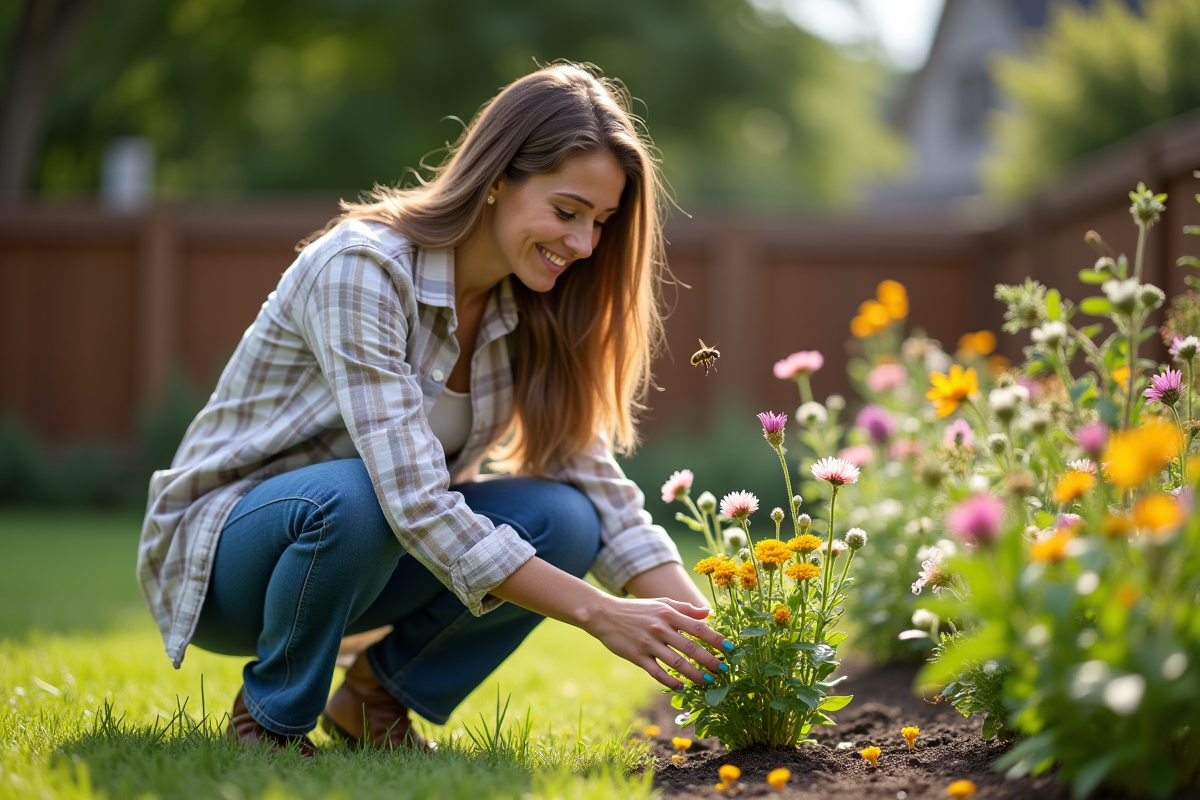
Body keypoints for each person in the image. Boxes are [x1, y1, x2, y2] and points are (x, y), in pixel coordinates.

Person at [136, 62, 731, 755]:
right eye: (567, 211)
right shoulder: (363, 268)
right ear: (496, 179)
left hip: (370, 550)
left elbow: (603, 494)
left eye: (600, 222)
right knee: (357, 494)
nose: (584, 244)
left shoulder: (531, 309)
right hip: (226, 562)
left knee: (568, 517)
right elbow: (411, 498)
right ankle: (269, 721)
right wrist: (599, 612)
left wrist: (713, 640)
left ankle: (373, 702)